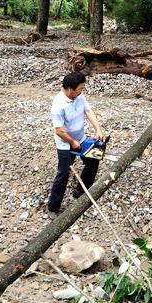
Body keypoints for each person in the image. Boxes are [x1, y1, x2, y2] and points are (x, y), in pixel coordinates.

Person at [47, 72, 105, 216]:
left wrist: (97, 129)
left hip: (81, 137)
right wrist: (72, 142)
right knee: (63, 173)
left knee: (93, 160)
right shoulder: (58, 105)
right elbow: (59, 131)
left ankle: (80, 191)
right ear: (69, 89)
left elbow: (88, 111)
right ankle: (53, 208)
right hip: (65, 144)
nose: (82, 91)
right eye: (79, 89)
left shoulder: (79, 96)